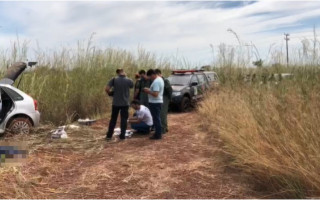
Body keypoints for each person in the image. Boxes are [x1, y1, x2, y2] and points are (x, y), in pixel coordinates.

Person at [105, 68, 134, 140]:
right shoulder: (129, 80)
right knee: (124, 120)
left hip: (116, 103)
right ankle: (122, 136)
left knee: (113, 119)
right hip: (125, 103)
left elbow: (107, 89)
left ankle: (109, 136)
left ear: (117, 73)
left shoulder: (114, 79)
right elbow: (132, 86)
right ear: (123, 72)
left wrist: (110, 93)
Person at [143, 69, 164, 140]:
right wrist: (150, 90)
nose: (150, 78)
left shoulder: (156, 82)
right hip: (157, 102)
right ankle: (158, 133)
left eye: (150, 77)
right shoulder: (159, 79)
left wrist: (148, 91)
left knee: (156, 119)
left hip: (155, 102)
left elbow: (155, 94)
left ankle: (158, 134)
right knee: (157, 118)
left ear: (152, 75)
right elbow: (155, 91)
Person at [155, 69, 172, 134]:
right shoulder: (158, 80)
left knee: (162, 113)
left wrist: (169, 99)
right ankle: (165, 127)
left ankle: (163, 129)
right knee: (161, 113)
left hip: (165, 97)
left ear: (159, 74)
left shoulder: (165, 80)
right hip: (160, 97)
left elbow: (169, 90)